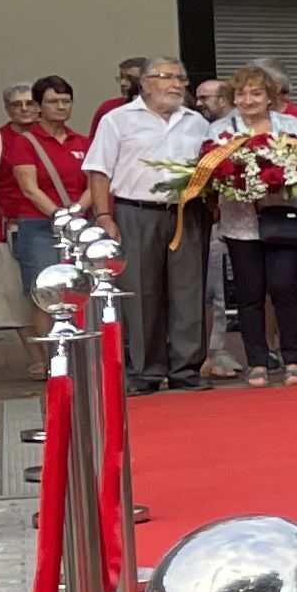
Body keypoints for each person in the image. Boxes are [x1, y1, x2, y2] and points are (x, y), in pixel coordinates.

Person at [86, 56, 213, 389]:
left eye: (180, 78)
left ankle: (186, 369)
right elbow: (99, 170)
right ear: (144, 83)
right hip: (136, 212)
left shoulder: (197, 122)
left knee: (188, 291)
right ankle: (145, 371)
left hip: (187, 213)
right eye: (167, 77)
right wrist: (103, 216)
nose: (176, 85)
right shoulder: (117, 120)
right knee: (142, 292)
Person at [202, 67, 297, 383]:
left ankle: (293, 358)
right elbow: (210, 171)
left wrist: (285, 178)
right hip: (240, 222)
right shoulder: (220, 130)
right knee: (249, 292)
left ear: (269, 96)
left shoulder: (290, 125)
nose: (248, 99)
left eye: (256, 93)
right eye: (241, 93)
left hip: (283, 218)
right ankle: (257, 360)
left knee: (283, 287)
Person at [0, 74, 89, 298]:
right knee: (45, 292)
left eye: (66, 101)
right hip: (39, 225)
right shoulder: (25, 142)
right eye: (53, 102)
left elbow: (95, 183)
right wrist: (60, 215)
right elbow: (29, 188)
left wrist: (77, 212)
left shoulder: (82, 141)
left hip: (79, 225)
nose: (61, 106)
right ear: (40, 106)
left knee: (80, 290)